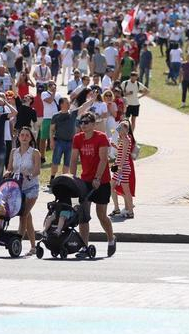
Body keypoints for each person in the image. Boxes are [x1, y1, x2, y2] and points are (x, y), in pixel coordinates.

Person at [69, 111, 116, 258]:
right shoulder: (78, 138)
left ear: (93, 124)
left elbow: (103, 160)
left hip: (101, 181)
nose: (83, 125)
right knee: (83, 214)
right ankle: (84, 246)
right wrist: (72, 178)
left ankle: (111, 238)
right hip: (85, 181)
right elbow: (73, 159)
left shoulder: (101, 137)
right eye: (81, 122)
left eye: (86, 122)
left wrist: (97, 178)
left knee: (101, 215)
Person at [7, 127, 40, 255]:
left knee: (23, 215)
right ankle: (33, 246)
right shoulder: (13, 152)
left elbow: (37, 171)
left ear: (30, 138)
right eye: (22, 135)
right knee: (28, 216)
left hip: (31, 187)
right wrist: (7, 173)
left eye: (27, 135)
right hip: (17, 188)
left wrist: (29, 174)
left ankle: (17, 242)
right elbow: (9, 168)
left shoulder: (34, 152)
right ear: (18, 137)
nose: (24, 137)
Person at [110, 120, 137, 219]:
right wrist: (116, 147)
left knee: (126, 190)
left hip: (123, 167)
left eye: (120, 128)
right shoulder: (123, 139)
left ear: (125, 129)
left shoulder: (126, 139)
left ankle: (130, 211)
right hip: (119, 166)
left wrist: (120, 167)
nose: (118, 129)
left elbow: (125, 155)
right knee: (111, 186)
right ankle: (117, 208)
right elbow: (122, 152)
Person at [49, 97, 77, 185]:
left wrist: (92, 100)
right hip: (59, 142)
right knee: (55, 162)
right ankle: (52, 179)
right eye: (67, 103)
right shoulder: (56, 116)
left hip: (70, 142)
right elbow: (52, 130)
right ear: (61, 104)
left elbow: (84, 106)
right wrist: (52, 141)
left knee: (67, 163)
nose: (69, 104)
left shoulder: (73, 114)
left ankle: (64, 180)